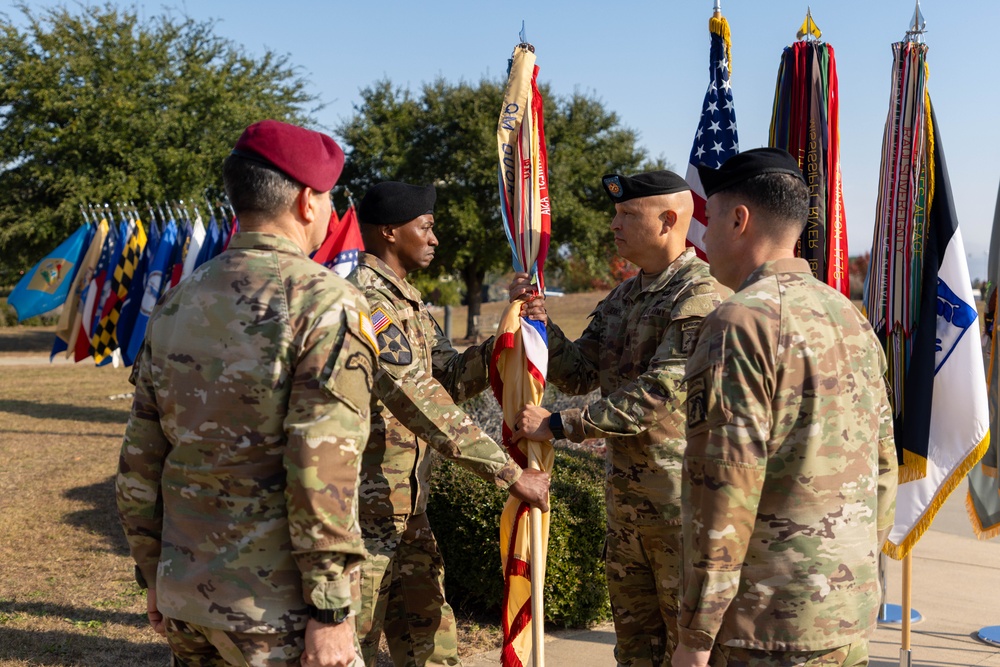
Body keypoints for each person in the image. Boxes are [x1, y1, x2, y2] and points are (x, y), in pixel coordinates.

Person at [116, 119, 374, 666]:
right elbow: (321, 467)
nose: (329, 212)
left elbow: (140, 461)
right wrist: (331, 611)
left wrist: (154, 574)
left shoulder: (179, 301)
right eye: (328, 199)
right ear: (308, 201)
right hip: (276, 613)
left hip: (189, 596)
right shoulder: (326, 303)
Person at [672, 148, 898, 667]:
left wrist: (695, 635)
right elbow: (883, 466)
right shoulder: (850, 317)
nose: (702, 239)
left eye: (708, 221)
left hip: (766, 626)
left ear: (739, 219)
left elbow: (725, 486)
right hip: (846, 613)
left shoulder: (740, 322)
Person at [510, 170, 729, 667]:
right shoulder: (625, 296)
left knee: (688, 652)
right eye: (616, 213)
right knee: (634, 650)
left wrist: (560, 425)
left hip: (680, 510)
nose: (614, 224)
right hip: (628, 511)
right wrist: (541, 323)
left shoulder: (698, 297)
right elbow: (583, 372)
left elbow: (656, 395)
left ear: (669, 221)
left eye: (627, 214)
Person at [347, 181, 550, 667]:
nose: (435, 238)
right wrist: (508, 473)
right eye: (427, 227)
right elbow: (417, 398)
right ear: (391, 232)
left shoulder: (409, 304)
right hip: (362, 517)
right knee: (351, 651)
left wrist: (509, 332)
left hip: (408, 514)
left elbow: (449, 380)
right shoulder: (367, 302)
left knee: (433, 650)